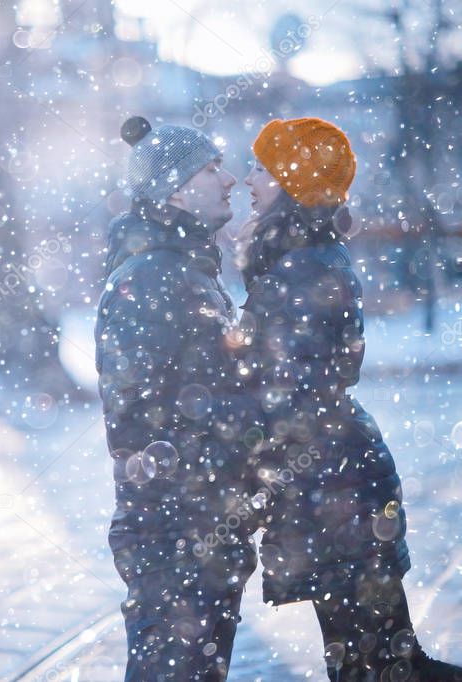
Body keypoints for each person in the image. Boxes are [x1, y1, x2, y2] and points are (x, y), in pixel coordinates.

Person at [238, 116, 462, 681]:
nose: (247, 181)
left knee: (376, 668)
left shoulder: (302, 266)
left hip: (335, 490)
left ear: (291, 181)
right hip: (337, 483)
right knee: (380, 663)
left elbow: (295, 392)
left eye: (260, 170)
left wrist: (253, 454)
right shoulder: (303, 257)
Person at [95, 116, 264, 681]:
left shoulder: (187, 270)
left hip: (199, 526)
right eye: (211, 170)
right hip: (175, 533)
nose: (231, 180)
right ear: (174, 189)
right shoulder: (152, 279)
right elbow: (140, 420)